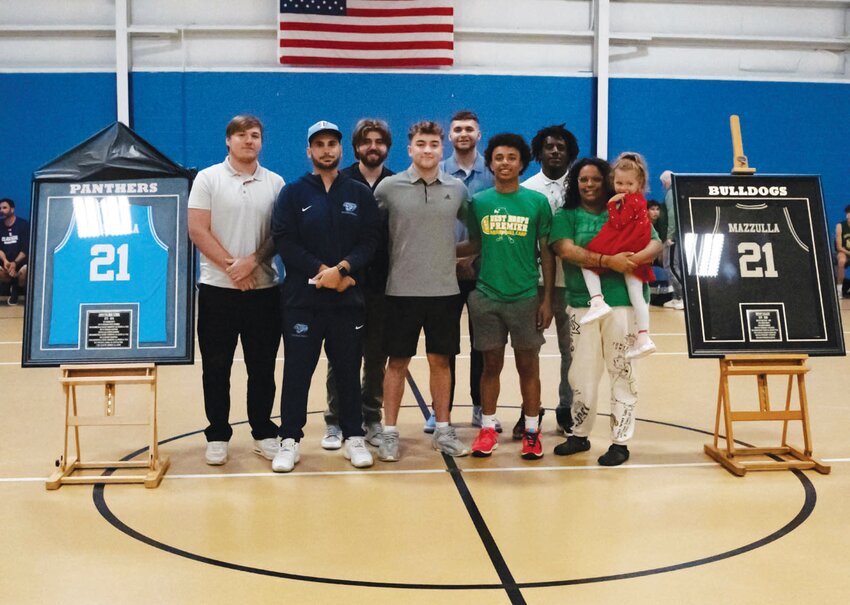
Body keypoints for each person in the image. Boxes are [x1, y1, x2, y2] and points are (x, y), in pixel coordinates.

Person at [271, 120, 381, 472]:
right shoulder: (293, 193)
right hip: (303, 301)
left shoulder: (359, 193)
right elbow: (285, 241)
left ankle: (353, 437)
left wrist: (344, 270)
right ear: (309, 151)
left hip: (347, 301)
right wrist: (323, 272)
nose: (326, 150)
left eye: (332, 143)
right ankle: (289, 439)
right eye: (318, 144)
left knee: (348, 370)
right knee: (298, 371)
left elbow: (370, 241)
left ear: (340, 149)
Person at [550, 157, 662, 466]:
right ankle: (579, 433)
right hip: (581, 306)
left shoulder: (628, 208)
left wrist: (632, 260)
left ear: (608, 180)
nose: (589, 184)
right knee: (581, 374)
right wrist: (607, 261)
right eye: (583, 179)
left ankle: (620, 442)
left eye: (596, 179)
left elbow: (655, 243)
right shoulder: (567, 214)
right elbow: (566, 250)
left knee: (622, 372)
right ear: (576, 183)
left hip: (622, 305)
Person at [187, 115, 284, 466]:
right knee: (216, 367)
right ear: (228, 141)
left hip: (263, 290)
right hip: (217, 290)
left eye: (255, 135)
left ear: (262, 142)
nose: (248, 141)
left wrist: (253, 263)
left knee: (262, 368)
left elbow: (279, 233)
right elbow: (198, 229)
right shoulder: (208, 179)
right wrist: (234, 267)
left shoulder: (275, 182)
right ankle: (217, 434)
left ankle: (262, 431)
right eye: (241, 135)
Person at [374, 121, 471, 462]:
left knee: (439, 361)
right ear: (410, 149)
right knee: (397, 362)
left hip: (445, 292)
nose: (427, 150)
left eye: (433, 144)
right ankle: (388, 433)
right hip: (399, 291)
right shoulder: (388, 188)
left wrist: (453, 255)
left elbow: (476, 233)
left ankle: (443, 430)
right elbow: (371, 236)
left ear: (441, 149)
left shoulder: (457, 189)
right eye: (421, 144)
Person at [463, 133, 555, 460]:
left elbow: (546, 253)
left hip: (526, 296)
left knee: (528, 367)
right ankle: (488, 428)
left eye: (511, 157)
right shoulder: (480, 202)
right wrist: (437, 253)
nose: (505, 163)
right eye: (499, 157)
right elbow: (474, 245)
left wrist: (546, 300)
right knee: (491, 366)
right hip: (487, 296)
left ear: (522, 163)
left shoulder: (536, 202)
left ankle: (532, 431)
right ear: (490, 163)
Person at [322, 118, 395, 450]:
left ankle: (372, 417)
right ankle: (335, 420)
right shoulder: (339, 181)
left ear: (387, 148)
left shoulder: (397, 184)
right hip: (345, 282)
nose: (373, 147)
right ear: (355, 148)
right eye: (367, 141)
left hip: (382, 286)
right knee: (341, 354)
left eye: (379, 141)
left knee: (376, 356)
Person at [439, 110, 498, 433]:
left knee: (483, 344)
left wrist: (475, 256)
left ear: (479, 134)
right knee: (444, 345)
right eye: (457, 128)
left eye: (469, 129)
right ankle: (441, 411)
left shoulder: (492, 173)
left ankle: (480, 406)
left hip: (484, 273)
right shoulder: (437, 171)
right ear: (450, 136)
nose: (463, 133)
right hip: (444, 273)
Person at [521, 123, 580, 437]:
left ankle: (566, 408)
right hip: (536, 284)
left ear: (570, 152)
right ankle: (528, 410)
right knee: (528, 349)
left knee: (572, 352)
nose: (555, 151)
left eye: (561, 147)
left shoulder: (582, 186)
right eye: (549, 147)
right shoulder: (528, 189)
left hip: (574, 285)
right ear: (539, 152)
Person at [578, 152, 657, 360]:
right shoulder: (637, 200)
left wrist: (612, 204)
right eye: (619, 183)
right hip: (634, 247)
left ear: (640, 184)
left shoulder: (631, 201)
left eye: (629, 183)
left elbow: (619, 223)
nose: (623, 188)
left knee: (588, 261)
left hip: (627, 244)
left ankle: (596, 300)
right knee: (636, 294)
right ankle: (643, 336)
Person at [659, 170, 684, 309]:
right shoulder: (674, 192)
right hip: (675, 236)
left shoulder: (670, 193)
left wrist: (670, 236)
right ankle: (676, 297)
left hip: (674, 237)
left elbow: (673, 215)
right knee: (670, 266)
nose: (662, 185)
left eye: (662, 182)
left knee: (672, 266)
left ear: (666, 181)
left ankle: (684, 297)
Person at [0, 198, 29, 306]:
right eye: (0, 208)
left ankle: (16, 288)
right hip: (5, 262)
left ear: (12, 209)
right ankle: (11, 284)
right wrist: (5, 261)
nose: (2, 210)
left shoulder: (23, 225)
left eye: (4, 208)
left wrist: (15, 263)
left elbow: (25, 249)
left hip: (20, 261)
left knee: (26, 271)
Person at [835, 204, 850, 298]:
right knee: (841, 261)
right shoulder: (840, 226)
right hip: (844, 251)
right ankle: (839, 289)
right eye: (849, 214)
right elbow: (839, 247)